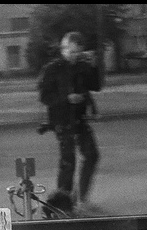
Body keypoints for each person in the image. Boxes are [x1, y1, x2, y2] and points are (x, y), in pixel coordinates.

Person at [37, 31, 101, 215]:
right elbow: (44, 97)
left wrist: (94, 66)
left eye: (77, 53)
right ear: (63, 49)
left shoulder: (82, 66)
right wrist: (66, 98)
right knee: (68, 162)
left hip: (79, 119)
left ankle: (81, 198)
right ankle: (63, 204)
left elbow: (95, 86)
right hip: (62, 120)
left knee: (92, 155)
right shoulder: (52, 69)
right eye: (71, 52)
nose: (74, 56)